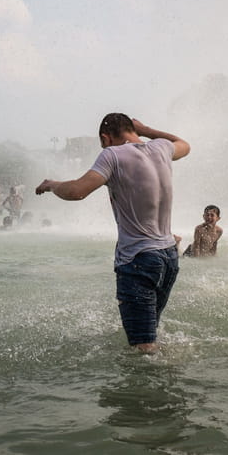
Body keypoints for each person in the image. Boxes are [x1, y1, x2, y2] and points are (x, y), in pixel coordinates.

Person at [36, 113, 190, 352]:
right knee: (151, 333)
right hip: (169, 256)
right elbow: (185, 145)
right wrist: (146, 130)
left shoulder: (112, 155)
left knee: (143, 347)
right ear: (133, 130)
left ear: (106, 138)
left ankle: (151, 385)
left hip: (139, 259)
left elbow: (77, 191)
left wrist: (52, 185)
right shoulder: (161, 148)